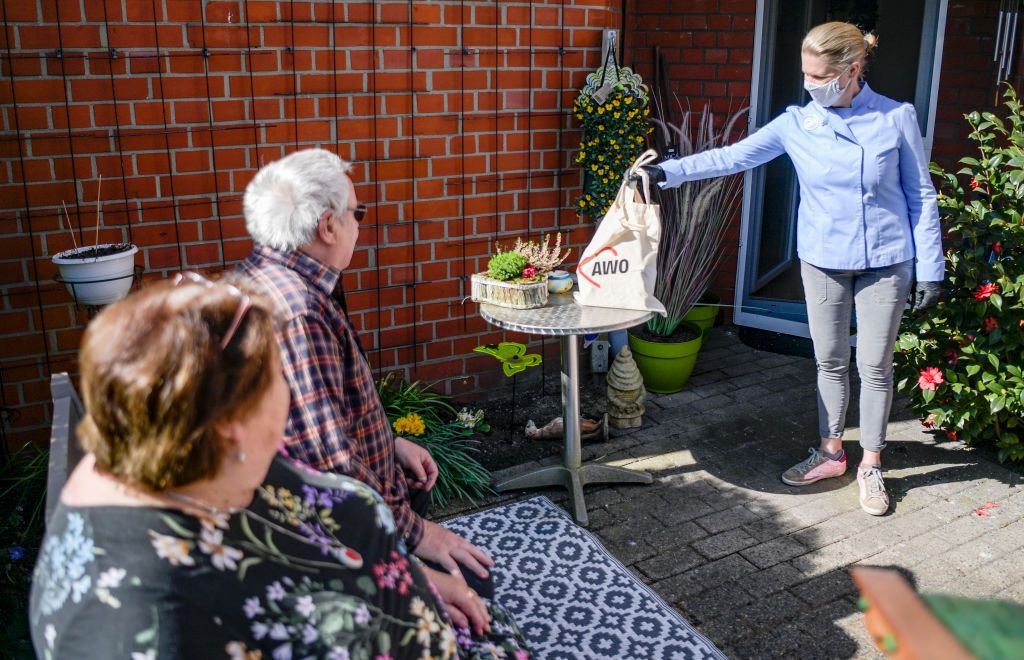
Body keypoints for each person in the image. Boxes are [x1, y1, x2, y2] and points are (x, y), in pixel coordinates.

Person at [29, 276, 530, 659]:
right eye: (278, 378)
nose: (292, 397)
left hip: (414, 607)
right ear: (230, 422)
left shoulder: (177, 453)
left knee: (474, 579)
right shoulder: (148, 622)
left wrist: (415, 578)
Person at [643, 22, 944, 516]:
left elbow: (921, 194)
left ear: (850, 72)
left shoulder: (895, 118)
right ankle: (830, 454)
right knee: (828, 360)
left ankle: (870, 463)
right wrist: (667, 172)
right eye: (805, 74)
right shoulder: (797, 123)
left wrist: (932, 266)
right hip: (823, 260)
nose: (809, 84)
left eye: (818, 76)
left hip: (887, 262)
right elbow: (732, 157)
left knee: (874, 366)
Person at [236, 148, 497, 594]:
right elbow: (329, 464)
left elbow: (315, 419)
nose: (360, 227)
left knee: (419, 483)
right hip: (327, 535)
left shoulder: (270, 275)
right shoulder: (299, 312)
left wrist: (390, 443)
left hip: (325, 508)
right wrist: (419, 536)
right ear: (328, 225)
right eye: (357, 213)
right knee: (476, 584)